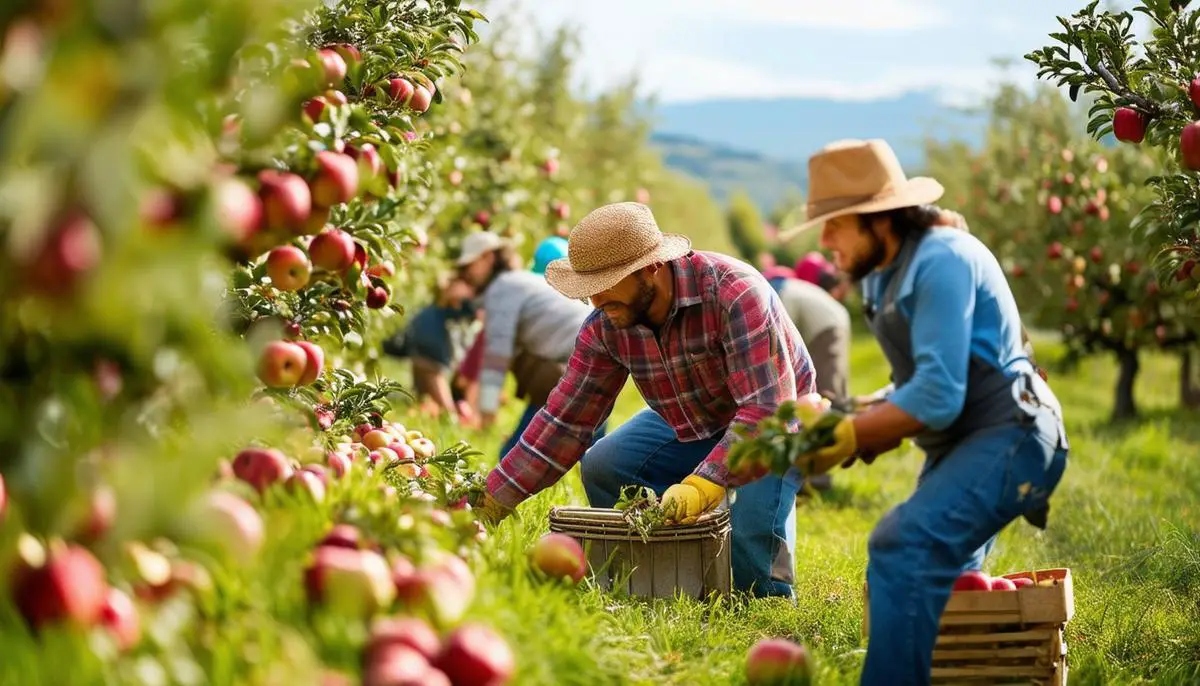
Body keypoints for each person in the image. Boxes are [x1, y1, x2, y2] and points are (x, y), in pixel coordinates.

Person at [778, 139, 1069, 684]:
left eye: (836, 224)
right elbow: (914, 385)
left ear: (879, 221)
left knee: (903, 546)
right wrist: (853, 417)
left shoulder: (943, 259)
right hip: (973, 441)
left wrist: (849, 434)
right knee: (945, 584)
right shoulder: (886, 274)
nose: (823, 240)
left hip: (1016, 435)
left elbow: (938, 395)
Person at [476, 202, 817, 599]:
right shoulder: (607, 324)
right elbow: (565, 421)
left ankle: (765, 598)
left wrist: (704, 483)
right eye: (588, 287)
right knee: (606, 464)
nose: (594, 300)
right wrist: (491, 500)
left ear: (652, 267)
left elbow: (767, 411)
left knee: (750, 560)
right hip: (693, 421)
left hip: (777, 423)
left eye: (607, 282)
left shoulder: (734, 293)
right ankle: (651, 574)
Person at [455, 231, 608, 456]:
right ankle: (607, 475)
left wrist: (486, 413)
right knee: (594, 446)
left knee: (513, 456)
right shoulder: (521, 281)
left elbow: (497, 355)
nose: (466, 272)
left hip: (576, 356)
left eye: (470, 264)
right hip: (598, 350)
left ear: (487, 257)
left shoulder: (502, 288)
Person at [762, 262, 852, 493]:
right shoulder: (769, 288)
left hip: (826, 325)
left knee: (824, 400)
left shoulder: (764, 297)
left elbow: (777, 341)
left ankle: (817, 479)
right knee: (812, 401)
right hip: (824, 321)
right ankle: (803, 474)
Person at [381, 275, 479, 420]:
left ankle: (391, 400)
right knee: (444, 411)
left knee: (425, 403)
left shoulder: (450, 311)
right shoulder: (433, 309)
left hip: (430, 361)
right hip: (426, 361)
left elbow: (471, 313)